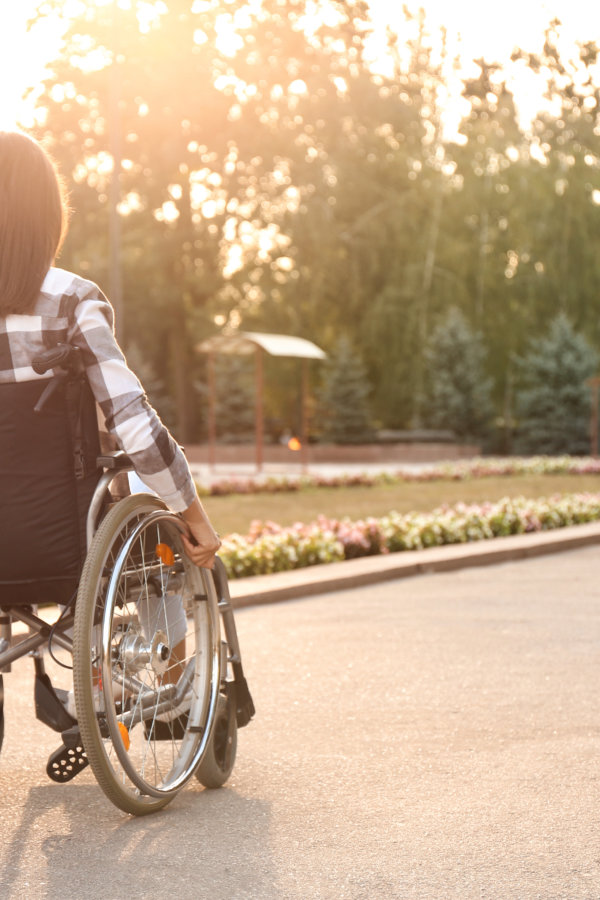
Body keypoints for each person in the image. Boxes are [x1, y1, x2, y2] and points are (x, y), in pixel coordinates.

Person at [0, 129, 220, 571]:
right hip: (62, 540)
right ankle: (168, 638)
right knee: (161, 534)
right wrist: (193, 515)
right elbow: (133, 424)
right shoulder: (71, 300)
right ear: (47, 215)